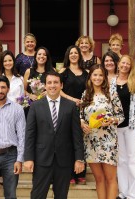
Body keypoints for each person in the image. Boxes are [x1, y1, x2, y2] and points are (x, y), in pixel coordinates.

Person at [24, 71, 85, 199]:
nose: (53, 85)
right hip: (42, 159)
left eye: (56, 82)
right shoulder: (35, 106)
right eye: (49, 83)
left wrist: (79, 158)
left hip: (64, 160)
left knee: (61, 195)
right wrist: (29, 158)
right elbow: (30, 134)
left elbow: (76, 135)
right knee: (37, 195)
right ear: (45, 86)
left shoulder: (71, 106)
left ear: (61, 85)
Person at [80, 64, 124, 199]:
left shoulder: (111, 93)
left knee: (110, 178)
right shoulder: (86, 94)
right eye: (95, 75)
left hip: (108, 141)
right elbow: (81, 115)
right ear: (90, 77)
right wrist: (81, 123)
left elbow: (121, 116)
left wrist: (112, 120)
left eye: (100, 75)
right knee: (99, 179)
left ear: (104, 77)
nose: (97, 78)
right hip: (91, 141)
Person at [111, 55, 135, 199]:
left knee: (133, 160)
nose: (125, 65)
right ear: (118, 64)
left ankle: (132, 194)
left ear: (131, 66)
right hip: (117, 126)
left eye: (128, 63)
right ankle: (123, 192)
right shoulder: (112, 82)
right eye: (123, 63)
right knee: (122, 160)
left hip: (132, 126)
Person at [59, 45, 88, 185]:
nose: (74, 55)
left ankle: (81, 172)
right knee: (68, 141)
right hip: (67, 108)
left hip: (83, 109)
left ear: (79, 55)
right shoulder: (63, 72)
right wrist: (72, 100)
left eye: (76, 53)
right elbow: (58, 90)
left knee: (81, 141)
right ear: (67, 56)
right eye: (71, 53)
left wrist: (84, 101)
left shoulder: (86, 72)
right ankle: (69, 173)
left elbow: (91, 89)